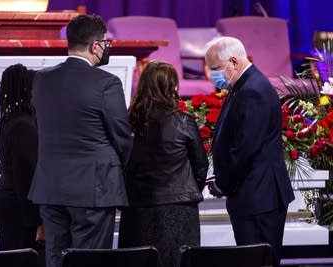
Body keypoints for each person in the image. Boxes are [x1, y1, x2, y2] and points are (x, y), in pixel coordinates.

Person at [28, 14, 133, 267]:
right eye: (106, 43)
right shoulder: (106, 82)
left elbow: (38, 127)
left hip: (50, 187)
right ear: (95, 46)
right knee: (90, 261)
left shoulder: (41, 80)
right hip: (93, 190)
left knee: (55, 258)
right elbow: (122, 137)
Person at [205, 36, 295, 266]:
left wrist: (223, 183)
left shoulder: (253, 90)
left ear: (233, 62)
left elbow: (245, 148)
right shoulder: (243, 85)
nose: (212, 75)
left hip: (260, 198)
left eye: (215, 69)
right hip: (252, 195)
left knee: (259, 261)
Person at [118, 61, 209, 267]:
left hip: (138, 207)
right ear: (172, 86)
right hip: (179, 209)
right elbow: (200, 166)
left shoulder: (127, 121)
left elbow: (122, 164)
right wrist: (188, 190)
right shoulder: (183, 120)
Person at [0, 64, 45, 252]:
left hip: (10, 200)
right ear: (27, 90)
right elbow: (27, 177)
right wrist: (38, 222)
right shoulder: (23, 125)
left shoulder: (10, 119)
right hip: (20, 208)